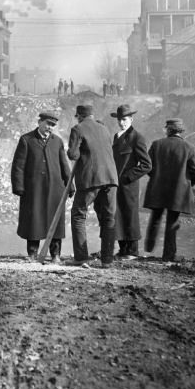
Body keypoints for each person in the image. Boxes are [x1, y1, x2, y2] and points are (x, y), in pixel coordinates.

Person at [11, 110, 75, 263]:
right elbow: (18, 166)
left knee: (56, 223)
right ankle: (32, 255)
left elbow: (64, 165)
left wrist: (70, 185)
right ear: (39, 122)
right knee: (34, 221)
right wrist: (19, 186)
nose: (50, 127)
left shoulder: (57, 141)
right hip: (34, 190)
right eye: (48, 124)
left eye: (53, 125)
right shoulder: (26, 140)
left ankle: (55, 256)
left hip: (55, 190)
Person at [66, 103, 118, 267]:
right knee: (108, 218)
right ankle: (107, 260)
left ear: (79, 116)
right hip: (111, 179)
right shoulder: (104, 129)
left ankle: (81, 258)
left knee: (78, 215)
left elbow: (73, 155)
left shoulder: (78, 129)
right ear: (92, 116)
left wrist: (77, 150)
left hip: (91, 179)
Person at [143, 118, 195, 262]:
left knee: (155, 218)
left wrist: (156, 177)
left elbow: (148, 166)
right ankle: (168, 255)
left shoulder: (157, 145)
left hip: (158, 189)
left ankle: (148, 246)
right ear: (181, 131)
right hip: (178, 192)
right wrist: (188, 183)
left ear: (168, 130)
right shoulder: (189, 148)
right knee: (172, 222)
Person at [110, 104, 152, 260]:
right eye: (120, 120)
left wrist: (127, 177)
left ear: (131, 119)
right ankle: (123, 250)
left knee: (130, 215)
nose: (122, 123)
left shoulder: (137, 137)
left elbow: (147, 165)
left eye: (125, 119)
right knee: (119, 216)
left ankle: (132, 251)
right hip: (117, 184)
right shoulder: (116, 136)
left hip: (129, 185)